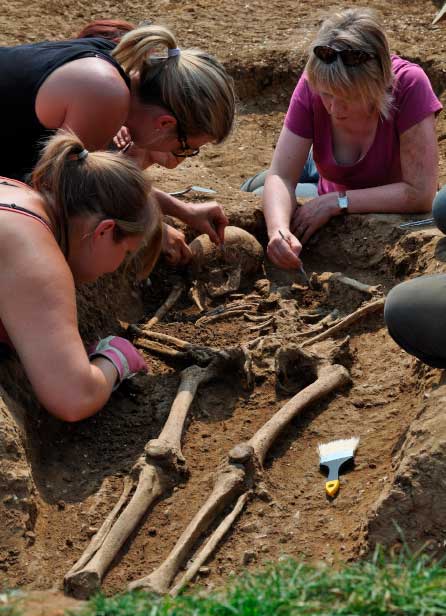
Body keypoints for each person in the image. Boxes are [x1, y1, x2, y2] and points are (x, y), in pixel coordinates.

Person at [0, 21, 235, 264]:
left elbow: (93, 178)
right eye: (186, 147)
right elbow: (61, 193)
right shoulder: (105, 94)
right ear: (165, 123)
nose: (181, 154)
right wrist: (150, 229)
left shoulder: (112, 66)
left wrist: (182, 210)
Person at [253, 8, 442, 270]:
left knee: (271, 189)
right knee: (259, 191)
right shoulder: (314, 81)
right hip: (323, 178)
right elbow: (282, 175)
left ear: (379, 84)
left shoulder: (409, 84)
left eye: (349, 99)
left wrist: (337, 201)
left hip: (338, 195)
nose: (334, 110)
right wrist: (278, 232)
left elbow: (420, 193)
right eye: (327, 95)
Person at [0, 130, 162, 423]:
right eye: (126, 253)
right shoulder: (34, 253)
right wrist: (116, 359)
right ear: (104, 231)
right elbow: (74, 397)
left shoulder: (16, 193)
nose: (115, 268)